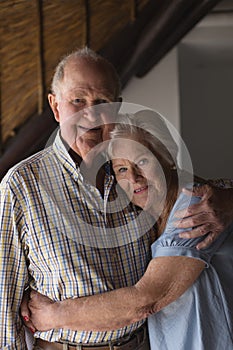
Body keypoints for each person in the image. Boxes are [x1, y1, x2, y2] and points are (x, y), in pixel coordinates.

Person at [1, 47, 232, 350]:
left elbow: (199, 190)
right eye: (77, 101)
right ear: (56, 108)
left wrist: (229, 200)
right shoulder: (21, 186)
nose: (91, 115)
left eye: (102, 102)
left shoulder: (129, 169)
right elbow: (3, 308)